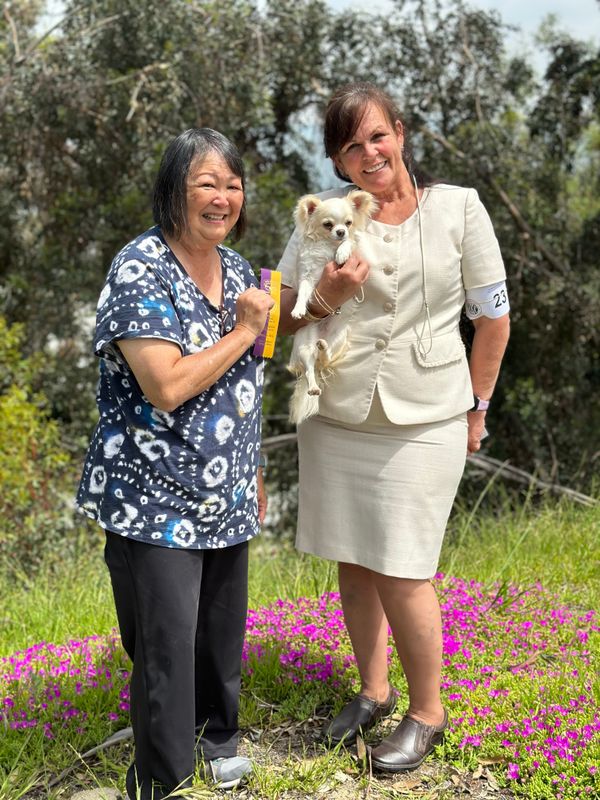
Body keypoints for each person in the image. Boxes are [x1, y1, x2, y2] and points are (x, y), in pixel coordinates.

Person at [277, 82, 510, 772]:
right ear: (340, 162)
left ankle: (427, 712)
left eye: (377, 136)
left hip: (430, 412)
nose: (368, 153)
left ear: (401, 133)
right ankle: (373, 691)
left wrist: (479, 406)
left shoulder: (460, 208)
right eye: (352, 146)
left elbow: (492, 317)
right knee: (354, 553)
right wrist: (328, 296)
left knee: (405, 566)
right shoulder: (323, 214)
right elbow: (282, 315)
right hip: (340, 412)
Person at [76, 128, 274, 799]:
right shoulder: (140, 269)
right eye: (206, 184)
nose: (222, 197)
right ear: (173, 192)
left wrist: (254, 472)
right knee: (164, 647)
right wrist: (245, 329)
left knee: (220, 635)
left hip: (225, 493)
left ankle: (218, 740)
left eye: (232, 184)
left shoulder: (241, 270)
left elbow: (246, 388)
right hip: (151, 497)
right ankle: (163, 780)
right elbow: (166, 386)